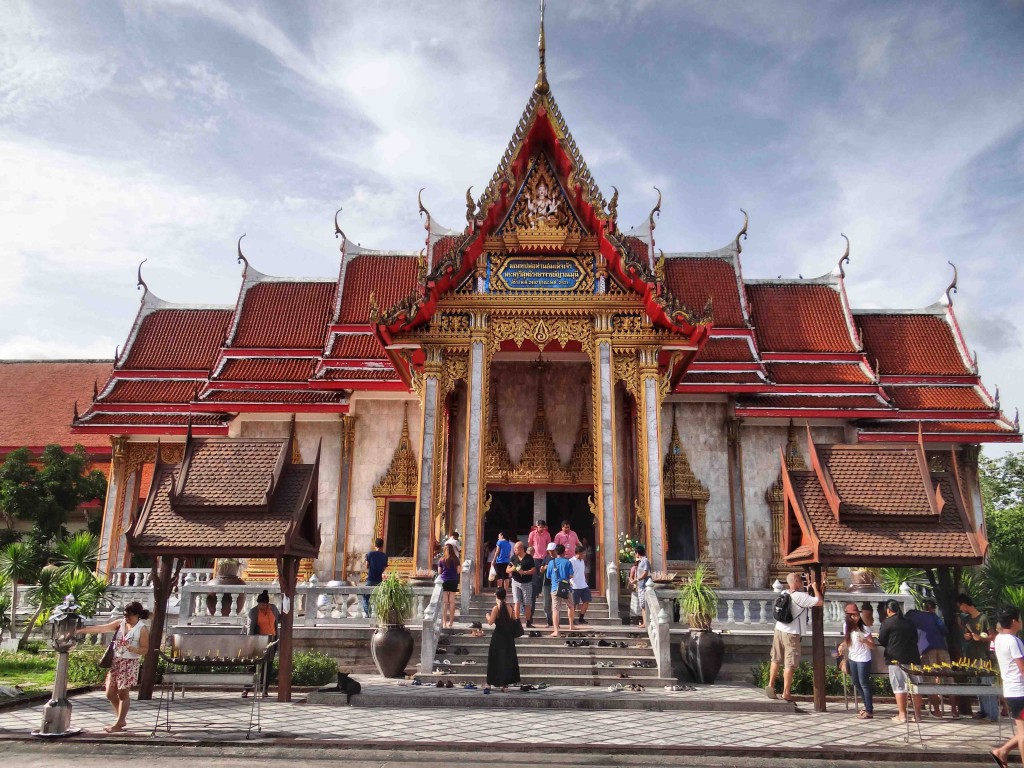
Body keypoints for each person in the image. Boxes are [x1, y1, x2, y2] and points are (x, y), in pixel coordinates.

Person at [75, 600, 150, 733]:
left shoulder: (141, 629)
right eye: (125, 615)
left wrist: (132, 648)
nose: (126, 618)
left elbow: (145, 649)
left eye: (129, 615)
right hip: (116, 661)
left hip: (129, 662)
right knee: (110, 693)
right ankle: (120, 719)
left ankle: (119, 722)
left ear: (137, 615)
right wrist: (81, 630)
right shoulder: (120, 623)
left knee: (123, 693)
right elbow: (102, 628)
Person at [766, 571, 823, 701]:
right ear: (796, 582)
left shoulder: (783, 593)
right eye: (801, 581)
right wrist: (814, 587)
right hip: (792, 633)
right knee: (790, 663)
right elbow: (819, 601)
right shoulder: (800, 596)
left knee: (775, 659)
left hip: (779, 629)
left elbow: (803, 600)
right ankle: (786, 692)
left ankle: (771, 684)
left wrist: (807, 590)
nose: (802, 583)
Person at [878, 599, 923, 724]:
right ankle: (918, 715)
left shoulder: (887, 623)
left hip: (895, 659)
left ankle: (902, 715)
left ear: (888, 610)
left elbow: (882, 640)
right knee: (916, 687)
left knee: (899, 687)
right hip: (913, 658)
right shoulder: (909, 622)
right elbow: (916, 637)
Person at [958, 593, 1000, 723]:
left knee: (987, 685)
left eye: (960, 606)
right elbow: (966, 633)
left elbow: (993, 636)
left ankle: (992, 714)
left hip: (984, 657)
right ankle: (983, 711)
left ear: (965, 605)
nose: (960, 609)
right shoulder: (967, 620)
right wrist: (967, 636)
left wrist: (981, 638)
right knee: (978, 685)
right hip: (972, 657)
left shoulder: (983, 618)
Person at [990, 606, 1024, 768]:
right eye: (1020, 618)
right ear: (1014, 621)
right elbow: (1022, 668)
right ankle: (1003, 751)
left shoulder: (999, 639)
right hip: (1020, 690)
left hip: (1011, 689)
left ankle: (1002, 751)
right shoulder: (1013, 641)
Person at [906, 599, 950, 717]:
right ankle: (955, 711)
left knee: (929, 681)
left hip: (925, 649)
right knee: (949, 678)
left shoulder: (914, 615)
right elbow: (944, 630)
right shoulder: (935, 617)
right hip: (942, 648)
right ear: (932, 608)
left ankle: (936, 710)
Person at [838, 601, 875, 719]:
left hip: (863, 658)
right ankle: (866, 705)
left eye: (857, 615)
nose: (856, 617)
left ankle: (869, 710)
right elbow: (848, 641)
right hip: (852, 657)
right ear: (848, 616)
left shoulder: (864, 628)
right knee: (856, 682)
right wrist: (842, 645)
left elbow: (872, 646)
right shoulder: (846, 626)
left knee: (864, 683)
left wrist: (865, 641)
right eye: (853, 615)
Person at [243, 589, 280, 698]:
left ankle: (265, 690)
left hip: (271, 641)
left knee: (268, 666)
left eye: (263, 604)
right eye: (259, 604)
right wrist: (250, 643)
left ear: (267, 603)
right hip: (258, 641)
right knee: (252, 666)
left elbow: (279, 619)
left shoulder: (273, 609)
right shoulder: (253, 612)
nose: (261, 606)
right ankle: (246, 689)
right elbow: (250, 628)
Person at [484, 587, 521, 693]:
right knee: (507, 660)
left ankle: (490, 682)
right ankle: (505, 685)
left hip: (498, 636)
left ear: (497, 596)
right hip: (508, 637)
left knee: (495, 659)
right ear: (505, 596)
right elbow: (513, 620)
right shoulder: (510, 607)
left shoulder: (496, 608)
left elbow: (490, 622)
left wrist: (487, 616)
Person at [545, 543, 575, 637]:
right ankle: (571, 625)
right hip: (566, 587)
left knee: (555, 609)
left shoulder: (551, 563)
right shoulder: (568, 562)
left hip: (555, 587)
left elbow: (548, 576)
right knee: (570, 606)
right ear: (564, 552)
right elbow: (571, 576)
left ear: (555, 552)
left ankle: (556, 630)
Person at [509, 541, 536, 626]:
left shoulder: (529, 558)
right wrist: (513, 569)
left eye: (516, 549)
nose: (515, 550)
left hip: (527, 582)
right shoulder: (513, 558)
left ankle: (528, 621)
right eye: (514, 549)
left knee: (527, 602)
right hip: (515, 581)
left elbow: (533, 570)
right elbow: (507, 569)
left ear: (521, 548)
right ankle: (517, 621)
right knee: (517, 601)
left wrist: (524, 572)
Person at [437, 542, 461, 629]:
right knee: (452, 602)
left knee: (445, 603)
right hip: (453, 580)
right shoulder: (456, 559)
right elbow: (458, 571)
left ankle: (444, 622)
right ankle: (451, 622)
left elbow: (439, 572)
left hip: (444, 580)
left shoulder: (441, 560)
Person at [363, 538, 388, 618]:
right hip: (379, 580)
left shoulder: (370, 554)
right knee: (378, 598)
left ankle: (368, 613)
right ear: (382, 546)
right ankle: (377, 614)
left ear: (375, 545)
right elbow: (384, 568)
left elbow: (366, 566)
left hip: (371, 579)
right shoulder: (384, 556)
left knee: (365, 596)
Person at [569, 544, 590, 624]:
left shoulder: (582, 561)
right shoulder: (571, 561)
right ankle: (572, 620)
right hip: (574, 586)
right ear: (578, 553)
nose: (584, 555)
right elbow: (568, 573)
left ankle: (581, 617)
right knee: (574, 604)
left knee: (586, 601)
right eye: (583, 553)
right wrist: (570, 582)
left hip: (583, 585)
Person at [634, 545, 652, 629]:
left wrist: (637, 579)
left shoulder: (645, 561)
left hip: (644, 586)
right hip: (641, 586)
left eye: (635, 553)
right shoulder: (640, 562)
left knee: (644, 605)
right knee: (642, 605)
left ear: (637, 553)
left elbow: (645, 573)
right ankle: (644, 622)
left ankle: (645, 623)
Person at [540, 542, 557, 627]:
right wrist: (544, 568)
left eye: (552, 550)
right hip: (547, 583)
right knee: (546, 604)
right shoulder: (546, 558)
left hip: (556, 584)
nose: (551, 552)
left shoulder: (558, 558)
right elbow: (541, 570)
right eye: (549, 550)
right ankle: (549, 621)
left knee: (556, 604)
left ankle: (556, 622)